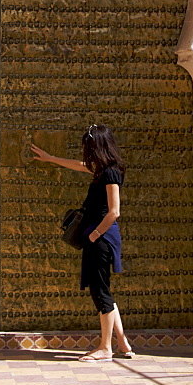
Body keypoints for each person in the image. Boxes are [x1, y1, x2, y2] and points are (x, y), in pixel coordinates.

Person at [31, 124, 134, 361]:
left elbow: (114, 211)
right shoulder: (104, 169)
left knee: (100, 292)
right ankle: (122, 343)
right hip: (99, 236)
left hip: (102, 237)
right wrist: (51, 159)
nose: (85, 152)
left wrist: (95, 234)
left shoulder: (109, 174)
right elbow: (79, 166)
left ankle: (105, 348)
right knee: (103, 289)